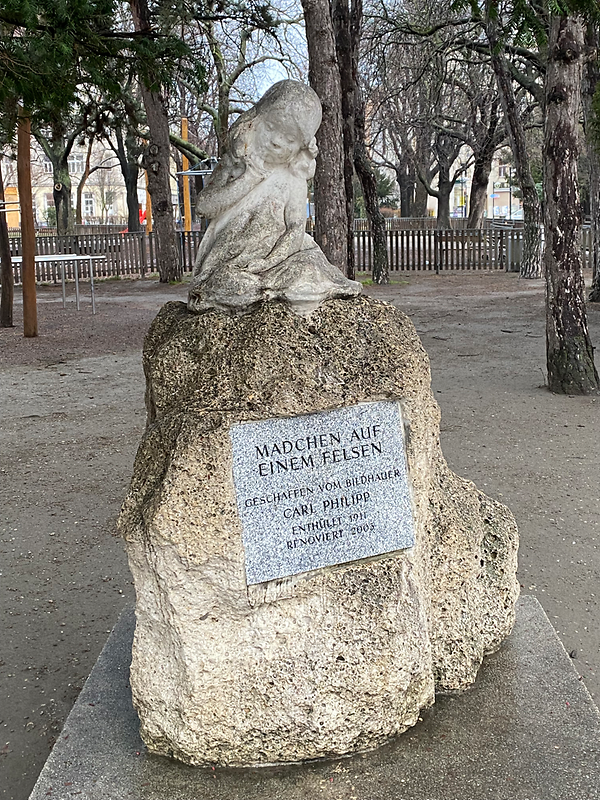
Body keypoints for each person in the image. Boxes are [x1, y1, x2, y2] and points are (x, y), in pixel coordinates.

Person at [187, 80, 361, 316]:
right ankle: (265, 291)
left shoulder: (293, 177)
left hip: (280, 257)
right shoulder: (236, 166)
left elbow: (295, 228)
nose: (277, 141)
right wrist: (249, 179)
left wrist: (270, 261)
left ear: (301, 147)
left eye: (290, 140)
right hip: (232, 256)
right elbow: (205, 206)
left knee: (307, 270)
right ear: (254, 121)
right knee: (228, 282)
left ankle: (270, 292)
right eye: (271, 127)